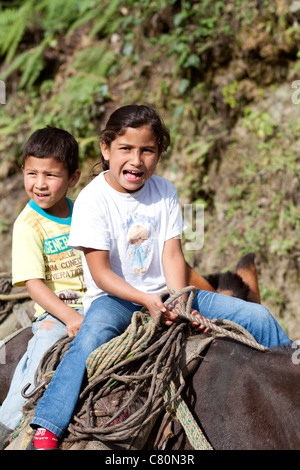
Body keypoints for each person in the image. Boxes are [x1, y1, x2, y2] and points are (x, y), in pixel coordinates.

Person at [28, 105, 291, 450]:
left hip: (168, 293)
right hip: (115, 299)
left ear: (159, 154)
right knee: (89, 339)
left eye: (147, 150)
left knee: (258, 315)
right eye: (126, 149)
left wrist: (180, 297)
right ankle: (48, 425)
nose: (136, 160)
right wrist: (144, 299)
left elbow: (171, 254)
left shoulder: (165, 191)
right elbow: (101, 273)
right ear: (106, 150)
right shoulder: (93, 199)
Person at [0, 127, 85, 449]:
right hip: (56, 312)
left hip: (97, 302)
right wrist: (70, 318)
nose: (39, 183)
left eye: (51, 175)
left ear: (73, 178)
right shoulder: (28, 225)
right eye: (32, 173)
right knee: (38, 360)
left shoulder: (83, 213)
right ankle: (8, 426)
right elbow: (34, 285)